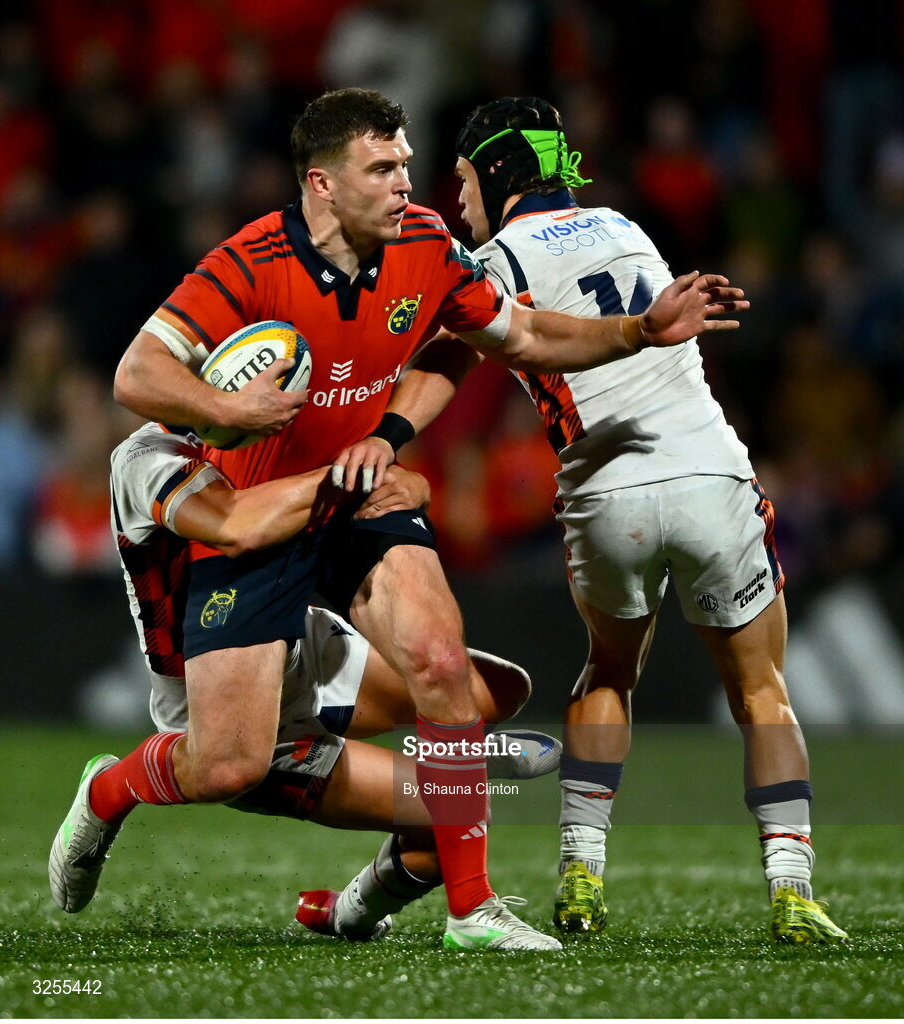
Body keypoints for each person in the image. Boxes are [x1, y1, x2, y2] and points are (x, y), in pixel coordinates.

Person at [108, 87, 745, 951]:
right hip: (258, 508)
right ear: (323, 185)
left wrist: (639, 329)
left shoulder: (428, 245)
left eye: (407, 159)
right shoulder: (250, 262)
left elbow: (521, 337)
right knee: (228, 763)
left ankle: (473, 908)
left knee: (446, 662)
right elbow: (137, 378)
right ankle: (108, 794)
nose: (408, 179)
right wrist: (239, 411)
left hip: (363, 498)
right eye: (384, 166)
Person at [379, 96, 845, 945]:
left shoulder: (489, 260)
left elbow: (452, 358)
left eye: (464, 175)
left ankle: (583, 876)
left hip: (605, 490)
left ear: (498, 170)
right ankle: (790, 888)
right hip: (708, 470)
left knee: (606, 674)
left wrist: (386, 436)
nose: (459, 194)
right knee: (760, 689)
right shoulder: (628, 227)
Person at [50, 420, 562, 944]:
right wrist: (356, 476)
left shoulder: (280, 433)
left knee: (486, 708)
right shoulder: (144, 458)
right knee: (449, 803)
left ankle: (352, 908)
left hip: (306, 648)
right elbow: (238, 524)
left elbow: (365, 480)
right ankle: (107, 790)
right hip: (217, 697)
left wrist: (409, 483)